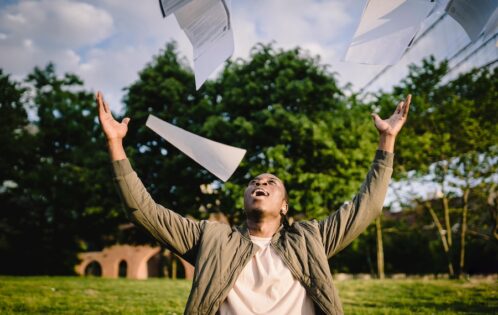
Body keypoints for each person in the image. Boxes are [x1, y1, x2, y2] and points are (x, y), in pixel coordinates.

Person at [96, 91, 411, 315]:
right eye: (254, 182)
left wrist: (387, 141)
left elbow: (365, 207)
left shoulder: (310, 239)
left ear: (284, 206)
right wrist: (115, 144)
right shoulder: (211, 239)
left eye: (271, 182)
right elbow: (144, 211)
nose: (261, 183)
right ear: (245, 199)